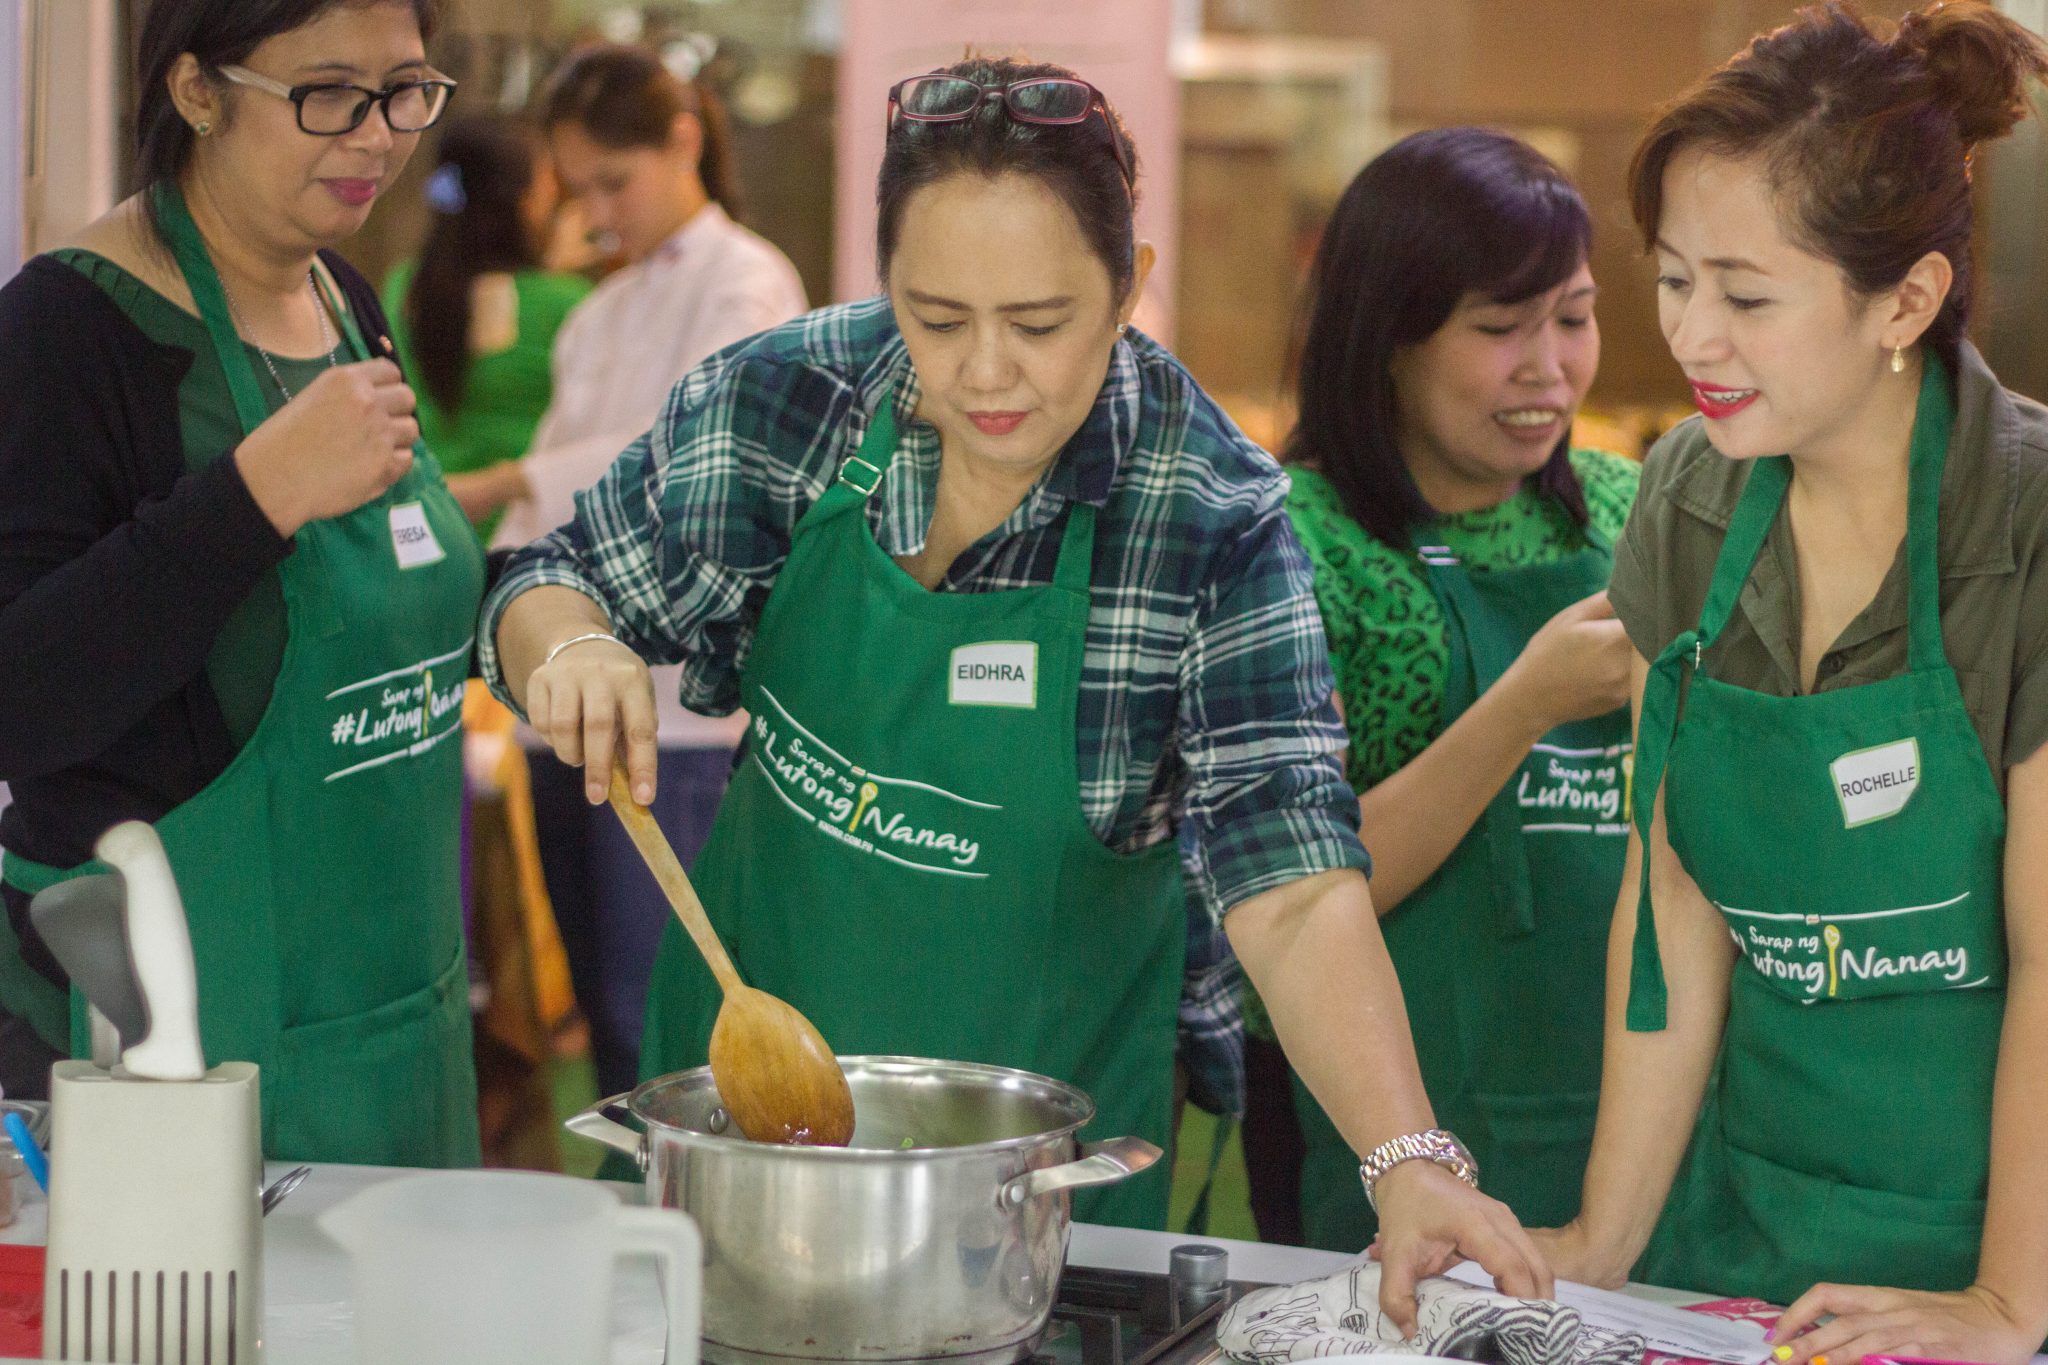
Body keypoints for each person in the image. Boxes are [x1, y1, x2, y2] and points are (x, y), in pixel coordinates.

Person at [485, 54, 1550, 1326]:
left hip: (1033, 1204)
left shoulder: (1207, 512)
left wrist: (1405, 1158)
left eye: (1039, 324)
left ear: (1129, 287)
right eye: (936, 320)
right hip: (752, 1146)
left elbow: (1294, 883)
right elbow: (544, 582)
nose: (986, 373)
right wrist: (567, 649)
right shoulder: (789, 401)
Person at [1533, 5, 2048, 1361]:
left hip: (1997, 1253)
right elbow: (1673, 891)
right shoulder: (1686, 499)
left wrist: (2005, 1304)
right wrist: (1600, 1242)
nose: (1693, 337)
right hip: (1751, 1246)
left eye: (1748, 296)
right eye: (1674, 278)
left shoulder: (2029, 525)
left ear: (1909, 300)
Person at [0, 0, 483, 1167]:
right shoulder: (62, 331)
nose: (376, 137)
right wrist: (251, 496)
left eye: (406, 91)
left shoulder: (343, 304)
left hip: (387, 1012)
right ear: (196, 91)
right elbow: (22, 700)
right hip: (158, 1031)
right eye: (327, 95)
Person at [1242, 128, 1637, 1251]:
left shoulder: (1628, 508)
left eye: (1571, 317)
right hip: (1391, 1127)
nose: (1547, 367)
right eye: (1498, 329)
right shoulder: (1289, 545)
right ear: (1386, 340)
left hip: (1622, 1104)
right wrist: (1520, 706)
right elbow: (1296, 890)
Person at [469, 45, 808, 1102]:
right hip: (558, 702)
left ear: (684, 140)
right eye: (580, 191)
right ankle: (637, 1235)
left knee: (663, 1013)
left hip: (681, 720)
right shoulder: (594, 313)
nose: (599, 212)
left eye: (614, 182)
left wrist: (504, 478)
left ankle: (698, 1242)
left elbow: (680, 465)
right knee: (608, 1025)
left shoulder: (749, 282)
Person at [382, 114, 591, 542]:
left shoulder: (404, 287)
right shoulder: (568, 304)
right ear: (525, 200)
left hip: (422, 523)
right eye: (547, 176)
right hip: (521, 536)